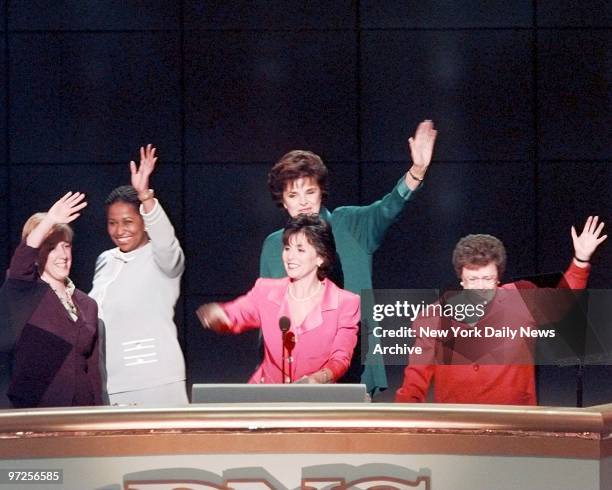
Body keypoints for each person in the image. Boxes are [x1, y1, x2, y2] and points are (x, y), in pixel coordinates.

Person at [259, 120, 438, 394]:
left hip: (357, 367)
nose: (304, 201)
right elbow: (268, 318)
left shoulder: (352, 225)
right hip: (295, 374)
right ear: (283, 201)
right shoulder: (274, 246)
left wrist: (417, 170)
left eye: (310, 191)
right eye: (293, 195)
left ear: (321, 192)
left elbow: (389, 207)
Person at [395, 216, 607, 405]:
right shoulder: (434, 317)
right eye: (473, 279)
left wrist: (580, 260)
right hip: (458, 428)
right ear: (461, 280)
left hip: (515, 425)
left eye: (487, 279)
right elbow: (416, 377)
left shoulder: (521, 299)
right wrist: (402, 421)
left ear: (498, 278)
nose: (480, 286)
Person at [197, 215, 360, 384]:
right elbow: (236, 313)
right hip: (267, 400)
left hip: (315, 402)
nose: (290, 257)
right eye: (287, 248)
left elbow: (341, 358)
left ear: (321, 257)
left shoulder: (346, 303)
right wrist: (219, 314)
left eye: (300, 250)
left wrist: (318, 379)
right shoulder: (266, 291)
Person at [90, 145, 187, 406]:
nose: (119, 230)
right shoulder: (105, 260)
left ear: (144, 221)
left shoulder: (161, 258)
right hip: (111, 383)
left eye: (128, 221)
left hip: (155, 382)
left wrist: (145, 196)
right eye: (112, 222)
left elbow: (166, 242)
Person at [1, 192, 104, 408]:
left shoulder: (87, 305)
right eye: (51, 247)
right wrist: (50, 220)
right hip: (38, 413)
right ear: (38, 254)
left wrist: (97, 415)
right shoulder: (26, 292)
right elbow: (22, 260)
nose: (62, 254)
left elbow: (93, 370)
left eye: (66, 245)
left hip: (81, 415)